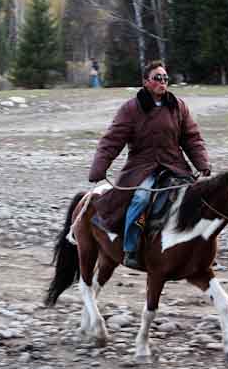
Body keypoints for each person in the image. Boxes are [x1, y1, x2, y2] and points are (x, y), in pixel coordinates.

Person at [88, 60, 210, 269]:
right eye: (157, 78)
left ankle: (195, 248)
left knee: (196, 199)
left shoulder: (178, 106)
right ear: (146, 82)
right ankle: (131, 247)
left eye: (165, 78)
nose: (163, 82)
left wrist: (202, 163)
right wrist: (99, 168)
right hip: (142, 167)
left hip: (174, 165)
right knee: (141, 198)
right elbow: (112, 140)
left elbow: (192, 138)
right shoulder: (131, 109)